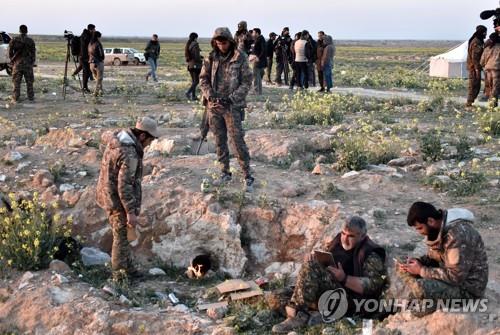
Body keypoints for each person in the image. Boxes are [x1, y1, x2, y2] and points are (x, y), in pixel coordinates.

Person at [272, 216, 387, 333]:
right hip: (324, 290)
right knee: (277, 295)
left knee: (311, 268)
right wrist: (312, 258)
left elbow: (372, 286)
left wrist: (344, 278)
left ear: (362, 236)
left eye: (351, 236)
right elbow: (323, 258)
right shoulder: (337, 241)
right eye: (343, 234)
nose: (345, 239)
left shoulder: (370, 253)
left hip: (345, 298)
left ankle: (295, 314)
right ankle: (311, 315)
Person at [397, 202, 488, 316]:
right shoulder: (438, 229)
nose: (420, 233)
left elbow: (455, 277)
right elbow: (434, 257)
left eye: (420, 228)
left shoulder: (458, 236)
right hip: (449, 276)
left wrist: (421, 270)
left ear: (430, 221)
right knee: (403, 268)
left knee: (420, 286)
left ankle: (429, 301)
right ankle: (421, 297)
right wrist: (416, 262)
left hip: (467, 290)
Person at [96, 117, 159, 280]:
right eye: (150, 140)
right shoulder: (129, 153)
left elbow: (104, 135)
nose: (149, 144)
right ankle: (118, 277)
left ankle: (129, 269)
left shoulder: (118, 136)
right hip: (117, 201)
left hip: (106, 193)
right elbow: (124, 186)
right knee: (121, 238)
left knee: (124, 237)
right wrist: (130, 212)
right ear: (143, 136)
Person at [199, 27, 255, 191]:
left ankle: (247, 174)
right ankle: (225, 172)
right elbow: (203, 80)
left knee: (237, 140)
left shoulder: (240, 57)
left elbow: (246, 82)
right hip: (214, 107)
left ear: (230, 41)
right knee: (219, 140)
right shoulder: (210, 57)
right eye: (218, 42)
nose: (221, 45)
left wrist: (231, 99)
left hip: (232, 107)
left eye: (224, 42)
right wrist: (210, 96)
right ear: (214, 42)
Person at [8, 24, 36, 103]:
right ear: (27, 31)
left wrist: (13, 61)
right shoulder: (30, 41)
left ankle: (15, 98)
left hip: (17, 64)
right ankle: (31, 98)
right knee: (29, 82)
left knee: (16, 83)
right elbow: (33, 54)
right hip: (28, 65)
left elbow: (10, 53)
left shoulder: (14, 40)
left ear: (19, 31)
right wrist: (31, 62)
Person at [466, 25, 487, 107]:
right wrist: (477, 70)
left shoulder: (478, 41)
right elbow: (475, 57)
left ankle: (470, 102)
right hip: (474, 68)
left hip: (475, 67)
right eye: (485, 32)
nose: (485, 34)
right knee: (473, 85)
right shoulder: (476, 42)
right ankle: (469, 104)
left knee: (476, 86)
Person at [481, 31, 500, 106]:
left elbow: (481, 61)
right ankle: (493, 105)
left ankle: (490, 104)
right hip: (497, 70)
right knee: (495, 88)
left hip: (487, 71)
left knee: (490, 87)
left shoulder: (487, 48)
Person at [185, 32, 203, 100]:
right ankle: (188, 92)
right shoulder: (195, 44)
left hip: (190, 65)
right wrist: (201, 60)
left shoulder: (188, 44)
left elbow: (191, 55)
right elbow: (196, 56)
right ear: (195, 38)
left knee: (194, 82)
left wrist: (200, 56)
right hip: (195, 65)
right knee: (196, 81)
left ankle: (193, 96)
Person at [80, 24, 95, 93]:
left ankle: (85, 87)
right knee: (86, 72)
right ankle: (84, 88)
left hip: (85, 56)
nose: (94, 30)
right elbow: (89, 44)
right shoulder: (86, 36)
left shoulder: (85, 35)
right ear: (90, 29)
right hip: (85, 57)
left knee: (86, 72)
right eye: (93, 29)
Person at [88, 31, 104, 97]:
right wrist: (102, 59)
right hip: (98, 63)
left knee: (97, 79)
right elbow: (101, 54)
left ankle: (101, 91)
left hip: (91, 64)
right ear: (98, 37)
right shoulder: (98, 44)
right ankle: (95, 93)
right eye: (100, 37)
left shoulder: (90, 44)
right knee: (99, 79)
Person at [251, 28, 267, 95]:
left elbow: (263, 50)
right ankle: (259, 91)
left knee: (256, 76)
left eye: (253, 32)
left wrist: (258, 57)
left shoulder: (261, 39)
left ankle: (256, 91)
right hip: (257, 60)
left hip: (258, 61)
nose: (252, 34)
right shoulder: (258, 39)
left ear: (257, 33)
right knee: (258, 76)